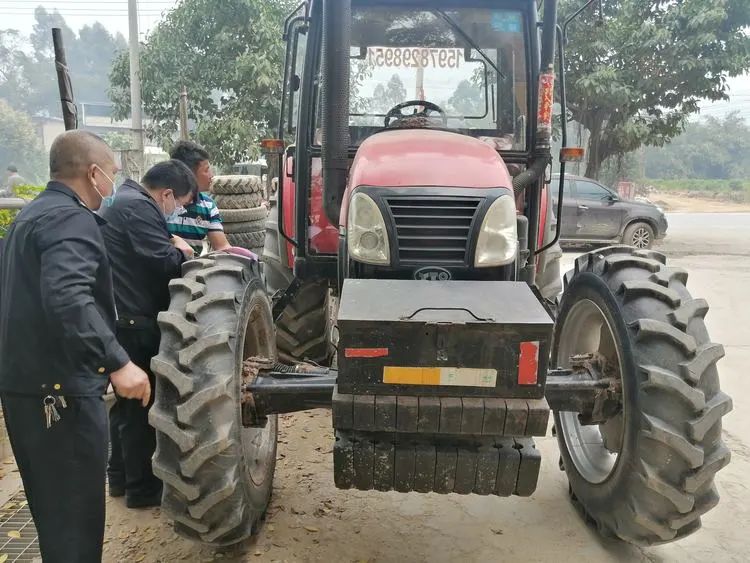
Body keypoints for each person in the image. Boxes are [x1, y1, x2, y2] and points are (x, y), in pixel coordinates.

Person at [0, 130, 151, 562]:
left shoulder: (30, 217)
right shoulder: (71, 220)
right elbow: (67, 297)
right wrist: (117, 361)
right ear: (93, 173)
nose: (113, 182)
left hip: (26, 390)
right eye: (113, 173)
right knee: (74, 523)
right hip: (60, 396)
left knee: (54, 516)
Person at [100, 160, 196, 509]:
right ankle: (142, 490)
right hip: (134, 322)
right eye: (179, 204)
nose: (176, 211)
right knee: (143, 408)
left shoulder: (124, 200)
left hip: (123, 316)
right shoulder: (139, 207)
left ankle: (120, 479)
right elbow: (163, 262)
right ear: (166, 194)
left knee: (127, 407)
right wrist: (184, 251)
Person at [167, 140, 232, 252]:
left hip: (193, 263)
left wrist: (246, 257)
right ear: (188, 174)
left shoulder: (208, 206)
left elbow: (222, 247)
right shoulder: (161, 203)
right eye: (206, 170)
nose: (211, 175)